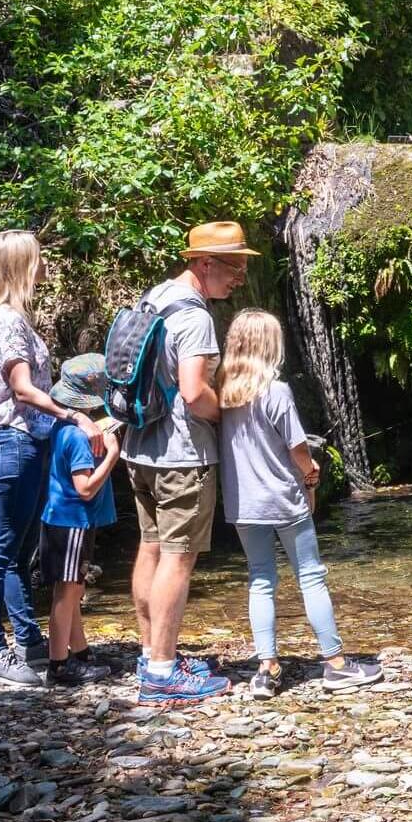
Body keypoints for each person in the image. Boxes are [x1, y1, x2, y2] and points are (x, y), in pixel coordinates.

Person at [123, 221, 255, 704]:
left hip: (140, 448)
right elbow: (194, 391)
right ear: (203, 263)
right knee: (178, 560)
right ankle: (162, 673)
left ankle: (150, 652)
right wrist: (231, 418)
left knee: (151, 549)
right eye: (234, 266)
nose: (239, 276)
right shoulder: (196, 317)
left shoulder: (155, 296)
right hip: (182, 456)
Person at [218, 310, 382, 697]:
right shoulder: (277, 392)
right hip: (283, 498)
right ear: (269, 347)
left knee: (260, 579)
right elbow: (298, 450)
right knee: (310, 575)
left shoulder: (223, 394)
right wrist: (312, 475)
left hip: (243, 504)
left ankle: (267, 668)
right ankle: (335, 664)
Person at [0, 229, 90, 688]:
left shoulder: (5, 317)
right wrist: (73, 415)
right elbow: (22, 388)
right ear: (21, 266)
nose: (44, 267)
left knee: (16, 549)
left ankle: (28, 638)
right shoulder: (7, 321)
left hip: (14, 443)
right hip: (11, 441)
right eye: (37, 260)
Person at [34, 354, 123, 688]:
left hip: (62, 519)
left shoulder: (64, 426)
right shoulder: (78, 437)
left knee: (72, 590)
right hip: (72, 521)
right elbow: (84, 488)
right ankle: (58, 666)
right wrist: (112, 456)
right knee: (67, 593)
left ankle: (80, 653)